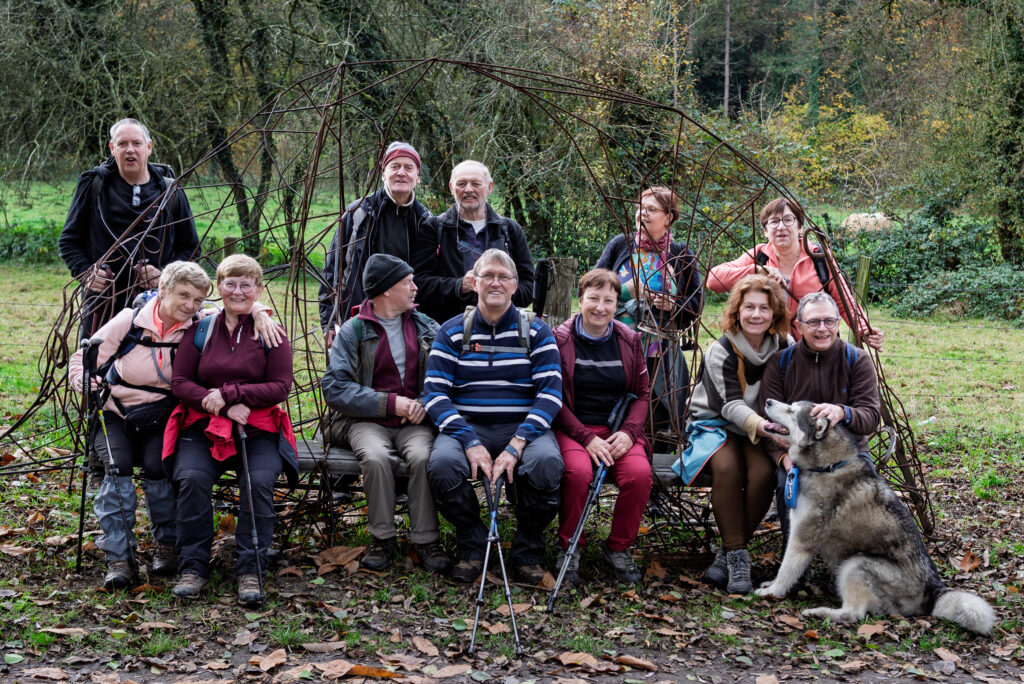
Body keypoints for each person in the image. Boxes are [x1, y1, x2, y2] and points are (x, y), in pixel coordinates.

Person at [67, 262, 210, 589]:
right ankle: (119, 558)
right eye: (183, 295)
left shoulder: (199, 327)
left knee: (159, 467)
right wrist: (83, 380)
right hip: (115, 412)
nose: (190, 305)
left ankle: (167, 545)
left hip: (162, 417)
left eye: (198, 299)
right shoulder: (130, 321)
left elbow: (238, 308)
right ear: (163, 290)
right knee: (117, 469)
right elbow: (82, 358)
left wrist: (259, 312)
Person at [424, 249, 562, 584]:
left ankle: (527, 550)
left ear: (515, 285)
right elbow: (435, 394)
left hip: (523, 428)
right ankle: (472, 542)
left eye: (503, 277)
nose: (495, 283)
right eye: (487, 276)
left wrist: (517, 444)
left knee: (547, 464)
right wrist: (468, 441)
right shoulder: (452, 331)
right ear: (474, 282)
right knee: (442, 465)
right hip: (467, 426)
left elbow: (550, 394)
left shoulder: (537, 331)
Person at [166, 255, 296, 607]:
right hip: (204, 427)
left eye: (246, 284)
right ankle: (193, 567)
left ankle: (250, 568)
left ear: (259, 289)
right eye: (230, 283)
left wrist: (230, 394)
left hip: (258, 430)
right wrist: (221, 406)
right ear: (219, 287)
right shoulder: (200, 330)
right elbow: (181, 383)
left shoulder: (271, 332)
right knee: (192, 479)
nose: (238, 291)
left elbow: (281, 386)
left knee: (258, 481)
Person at [320, 254, 450, 574]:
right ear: (387, 290)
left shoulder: (425, 326)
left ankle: (426, 539)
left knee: (423, 456)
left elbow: (447, 375)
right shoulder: (353, 330)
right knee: (376, 457)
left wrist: (423, 402)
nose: (415, 288)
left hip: (414, 422)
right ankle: (382, 538)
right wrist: (390, 404)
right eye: (408, 282)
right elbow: (335, 387)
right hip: (365, 422)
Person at [680, 274, 791, 594]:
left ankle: (726, 554)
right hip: (715, 422)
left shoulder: (784, 346)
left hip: (757, 429)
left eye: (764, 308)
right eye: (749, 307)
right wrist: (765, 427)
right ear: (737, 311)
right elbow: (728, 405)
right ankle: (739, 559)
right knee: (728, 468)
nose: (756, 314)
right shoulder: (723, 350)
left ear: (775, 312)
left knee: (763, 473)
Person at [758, 291, 883, 544]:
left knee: (862, 492)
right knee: (787, 485)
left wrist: (843, 412)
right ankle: (795, 553)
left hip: (848, 454)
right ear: (799, 326)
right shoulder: (780, 363)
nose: (822, 328)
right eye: (813, 322)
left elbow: (870, 417)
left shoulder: (856, 360)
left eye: (829, 321)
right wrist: (782, 457)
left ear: (838, 324)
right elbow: (769, 422)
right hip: (797, 454)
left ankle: (853, 552)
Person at [552, 269, 652, 584]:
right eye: (593, 298)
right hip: (573, 429)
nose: (600, 307)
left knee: (639, 474)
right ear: (580, 299)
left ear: (616, 304)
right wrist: (585, 437)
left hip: (617, 430)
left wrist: (629, 433)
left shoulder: (630, 339)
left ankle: (618, 547)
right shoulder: (559, 340)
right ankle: (570, 546)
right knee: (578, 473)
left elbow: (642, 393)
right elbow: (553, 398)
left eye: (608, 300)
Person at [60, 118, 200, 335]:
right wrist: (87, 273)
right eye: (122, 144)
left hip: (158, 308)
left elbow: (191, 248)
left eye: (136, 143)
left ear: (149, 147)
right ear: (112, 148)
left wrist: (165, 275)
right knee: (97, 357)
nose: (130, 150)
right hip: (102, 307)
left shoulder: (170, 191)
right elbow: (69, 241)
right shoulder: (94, 186)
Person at [706, 197, 884, 351]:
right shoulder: (759, 255)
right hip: (770, 351)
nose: (781, 227)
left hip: (814, 349)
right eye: (774, 222)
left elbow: (844, 301)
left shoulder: (818, 256)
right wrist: (757, 270)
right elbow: (713, 280)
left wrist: (864, 330)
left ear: (800, 227)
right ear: (766, 231)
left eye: (788, 220)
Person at [596, 186, 703, 441]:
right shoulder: (620, 244)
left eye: (651, 209)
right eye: (640, 208)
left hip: (659, 353)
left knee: (655, 417)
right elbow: (592, 286)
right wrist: (625, 290)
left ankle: (654, 458)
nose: (642, 214)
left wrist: (673, 304)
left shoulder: (680, 253)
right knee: (614, 410)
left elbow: (697, 302)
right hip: (615, 346)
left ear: (669, 217)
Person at [319, 141, 431, 347]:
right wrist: (329, 320)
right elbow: (333, 268)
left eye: (408, 168)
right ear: (383, 173)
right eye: (395, 166)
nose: (401, 173)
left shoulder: (425, 221)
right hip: (356, 319)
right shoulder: (358, 212)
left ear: (418, 177)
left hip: (407, 324)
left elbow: (427, 278)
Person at [412, 160, 534, 325]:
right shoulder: (434, 229)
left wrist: (497, 290)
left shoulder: (509, 230)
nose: (468, 189)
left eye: (476, 183)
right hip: (447, 328)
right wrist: (459, 286)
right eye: (461, 184)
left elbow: (529, 287)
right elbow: (418, 285)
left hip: (502, 328)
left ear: (489, 187)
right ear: (451, 187)